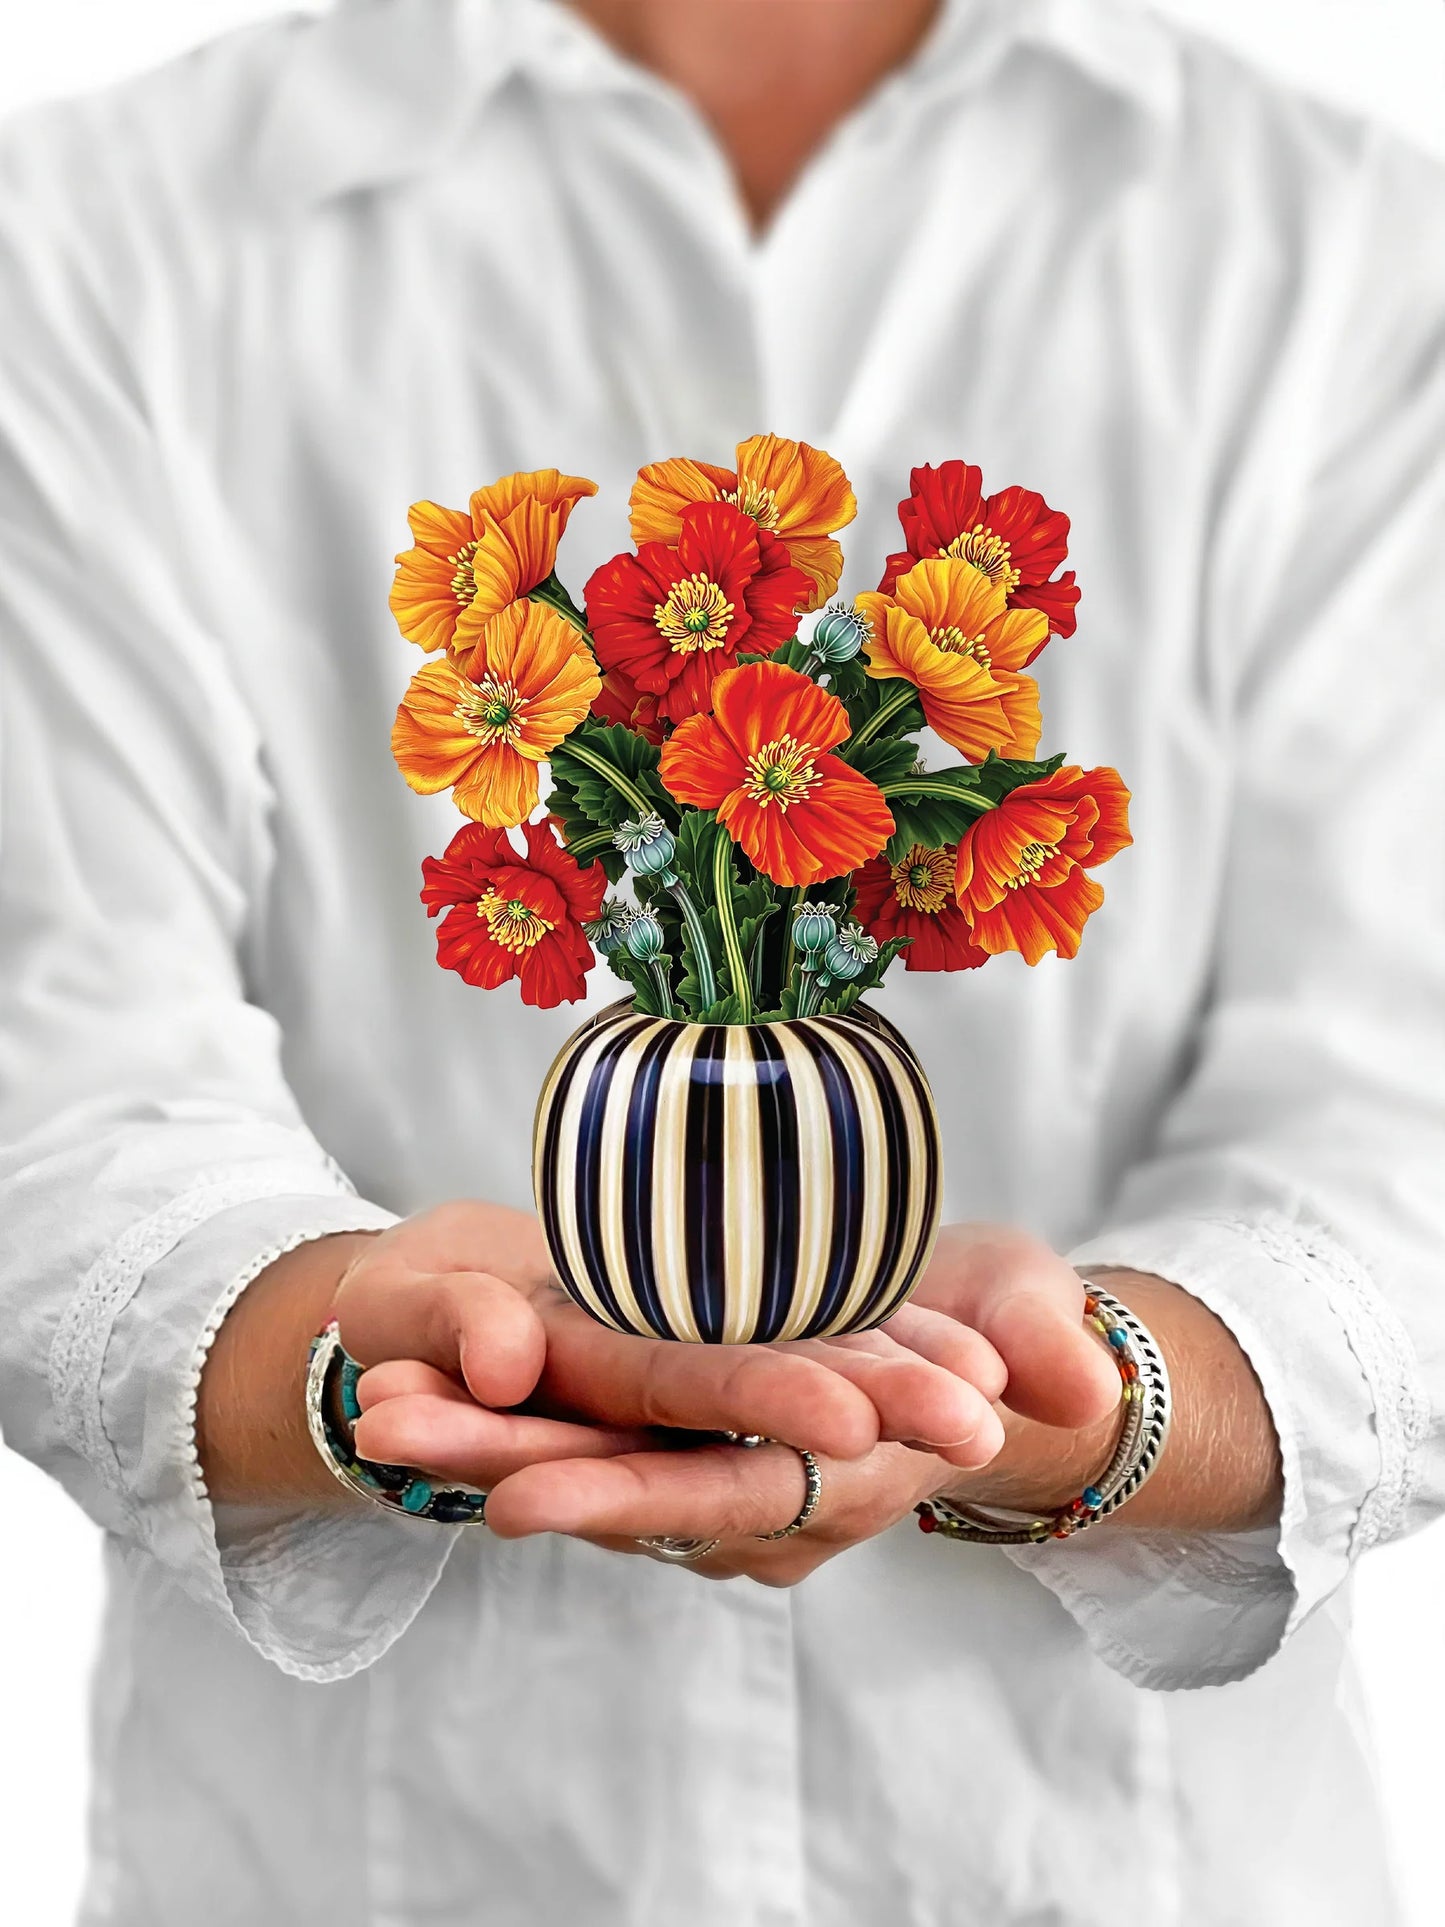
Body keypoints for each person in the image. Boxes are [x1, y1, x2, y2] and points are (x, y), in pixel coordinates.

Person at [0, 0, 1442, 1920]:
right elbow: (52, 1070)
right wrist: (341, 1366)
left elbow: (1402, 1100)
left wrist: (1108, 1407)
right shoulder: (87, 228)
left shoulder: (1350, 247)